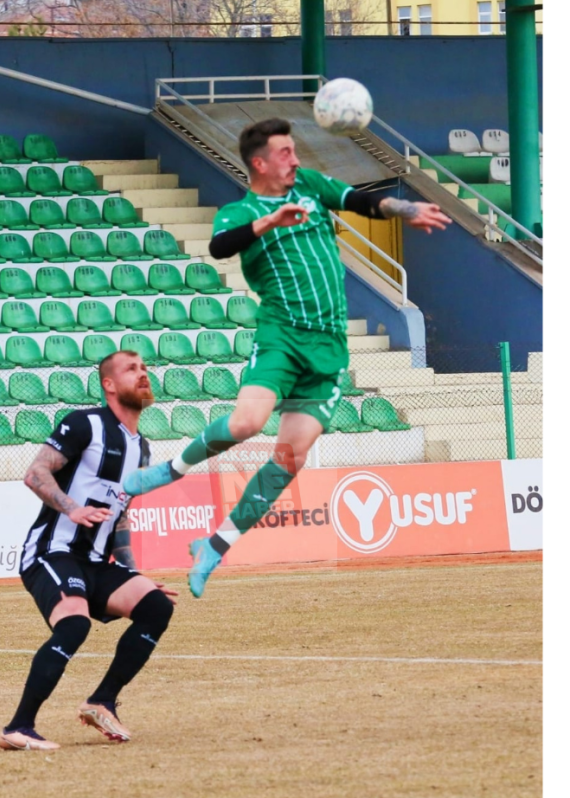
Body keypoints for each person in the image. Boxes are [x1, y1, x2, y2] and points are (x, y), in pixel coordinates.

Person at [124, 117, 451, 598]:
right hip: (282, 334)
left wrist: (403, 208)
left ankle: (214, 545)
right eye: (285, 154)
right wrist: (270, 221)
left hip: (329, 347)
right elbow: (220, 248)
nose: (296, 160)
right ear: (259, 163)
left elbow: (362, 201)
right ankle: (170, 471)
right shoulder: (240, 212)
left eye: (294, 152)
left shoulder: (312, 187)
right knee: (246, 424)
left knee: (290, 456)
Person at [0, 350, 178, 752]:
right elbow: (35, 473)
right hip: (53, 551)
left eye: (145, 368)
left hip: (97, 561)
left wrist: (136, 574)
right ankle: (19, 727)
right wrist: (72, 508)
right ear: (109, 384)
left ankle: (102, 701)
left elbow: (120, 518)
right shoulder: (85, 424)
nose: (143, 374)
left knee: (156, 607)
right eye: (132, 369)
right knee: (74, 625)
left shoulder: (141, 449)